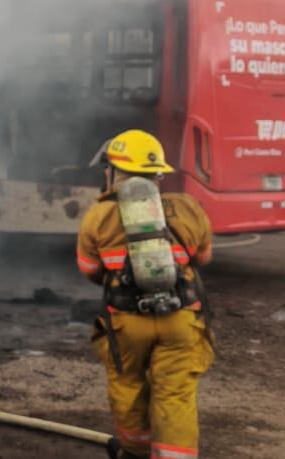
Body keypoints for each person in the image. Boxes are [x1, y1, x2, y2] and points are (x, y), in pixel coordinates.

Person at [77, 129, 215, 459]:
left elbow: (89, 270)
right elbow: (204, 257)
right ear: (157, 174)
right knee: (176, 395)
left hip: (127, 322)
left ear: (113, 171)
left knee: (128, 386)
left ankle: (135, 452)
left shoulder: (99, 214)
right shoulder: (188, 208)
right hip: (181, 319)